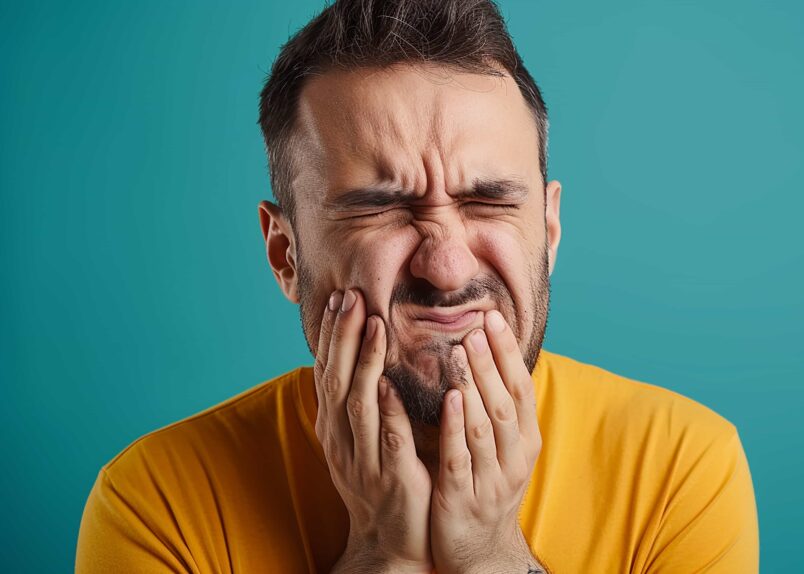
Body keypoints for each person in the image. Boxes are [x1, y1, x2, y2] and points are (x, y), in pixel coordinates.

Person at [75, 1, 759, 572]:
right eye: (379, 208)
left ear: (548, 230)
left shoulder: (680, 468)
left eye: (489, 202)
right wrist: (382, 557)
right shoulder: (154, 502)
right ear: (286, 254)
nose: (449, 268)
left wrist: (492, 559)